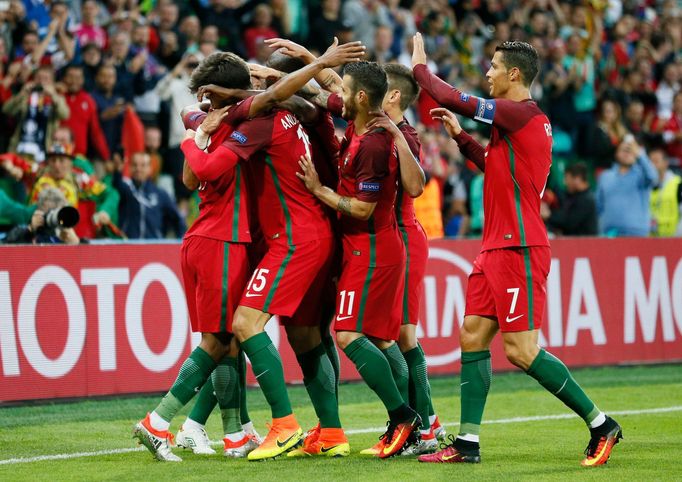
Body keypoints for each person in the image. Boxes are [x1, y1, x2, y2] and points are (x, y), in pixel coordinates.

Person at [412, 34, 622, 466]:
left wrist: (418, 69)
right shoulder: (520, 124)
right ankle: (467, 443)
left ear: (513, 74)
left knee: (522, 351)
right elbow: (496, 171)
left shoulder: (519, 113)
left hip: (520, 248)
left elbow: (455, 98)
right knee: (472, 334)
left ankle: (601, 424)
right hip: (495, 248)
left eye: (492, 66)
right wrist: (460, 138)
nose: (486, 73)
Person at [190, 41, 364, 462]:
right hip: (313, 231)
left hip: (296, 238)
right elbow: (284, 99)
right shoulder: (294, 113)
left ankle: (283, 426)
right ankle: (333, 431)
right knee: (306, 335)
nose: (258, 80)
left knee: (245, 324)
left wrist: (200, 128)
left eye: (266, 74)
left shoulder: (276, 116)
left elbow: (207, 163)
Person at [297, 59, 421, 459]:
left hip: (372, 251)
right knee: (384, 341)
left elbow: (363, 209)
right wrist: (306, 60)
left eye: (347, 92)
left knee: (349, 335)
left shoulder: (372, 143)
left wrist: (318, 189)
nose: (340, 97)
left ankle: (404, 417)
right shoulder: (360, 124)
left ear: (362, 97)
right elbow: (325, 89)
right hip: (365, 249)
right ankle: (410, 428)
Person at [132, 53, 254, 462]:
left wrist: (198, 126)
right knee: (218, 340)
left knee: (229, 340)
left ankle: (235, 436)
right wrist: (194, 133)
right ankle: (158, 421)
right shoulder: (234, 129)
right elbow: (197, 171)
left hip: (204, 237)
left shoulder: (209, 125)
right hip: (223, 240)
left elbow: (187, 177)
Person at [112, 151, 185, 239]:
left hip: (153, 247)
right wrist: (117, 172)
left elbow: (178, 219)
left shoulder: (160, 194)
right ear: (130, 168)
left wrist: (180, 242)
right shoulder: (126, 189)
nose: (138, 169)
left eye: (143, 165)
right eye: (135, 165)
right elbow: (116, 184)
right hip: (128, 246)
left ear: (150, 169)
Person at [597, 136, 657, 237]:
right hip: (610, 233)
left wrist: (640, 154)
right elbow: (599, 205)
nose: (627, 153)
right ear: (616, 153)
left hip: (637, 233)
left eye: (630, 150)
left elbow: (653, 177)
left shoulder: (641, 175)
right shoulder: (605, 176)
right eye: (624, 150)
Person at [4, 186, 79, 244]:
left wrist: (75, 244)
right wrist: (29, 231)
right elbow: (7, 249)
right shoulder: (23, 230)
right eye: (47, 212)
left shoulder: (64, 235)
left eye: (55, 213)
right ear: (38, 210)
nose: (52, 217)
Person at [543, 162, 598, 236]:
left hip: (586, 245)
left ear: (577, 179)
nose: (565, 183)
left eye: (567, 179)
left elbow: (569, 223)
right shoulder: (574, 196)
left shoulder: (587, 200)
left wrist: (548, 216)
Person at [649, 146, 681, 237]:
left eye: (655, 161)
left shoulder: (678, 184)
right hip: (649, 240)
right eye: (650, 161)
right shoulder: (646, 186)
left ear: (666, 163)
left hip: (673, 239)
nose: (652, 165)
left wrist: (677, 237)